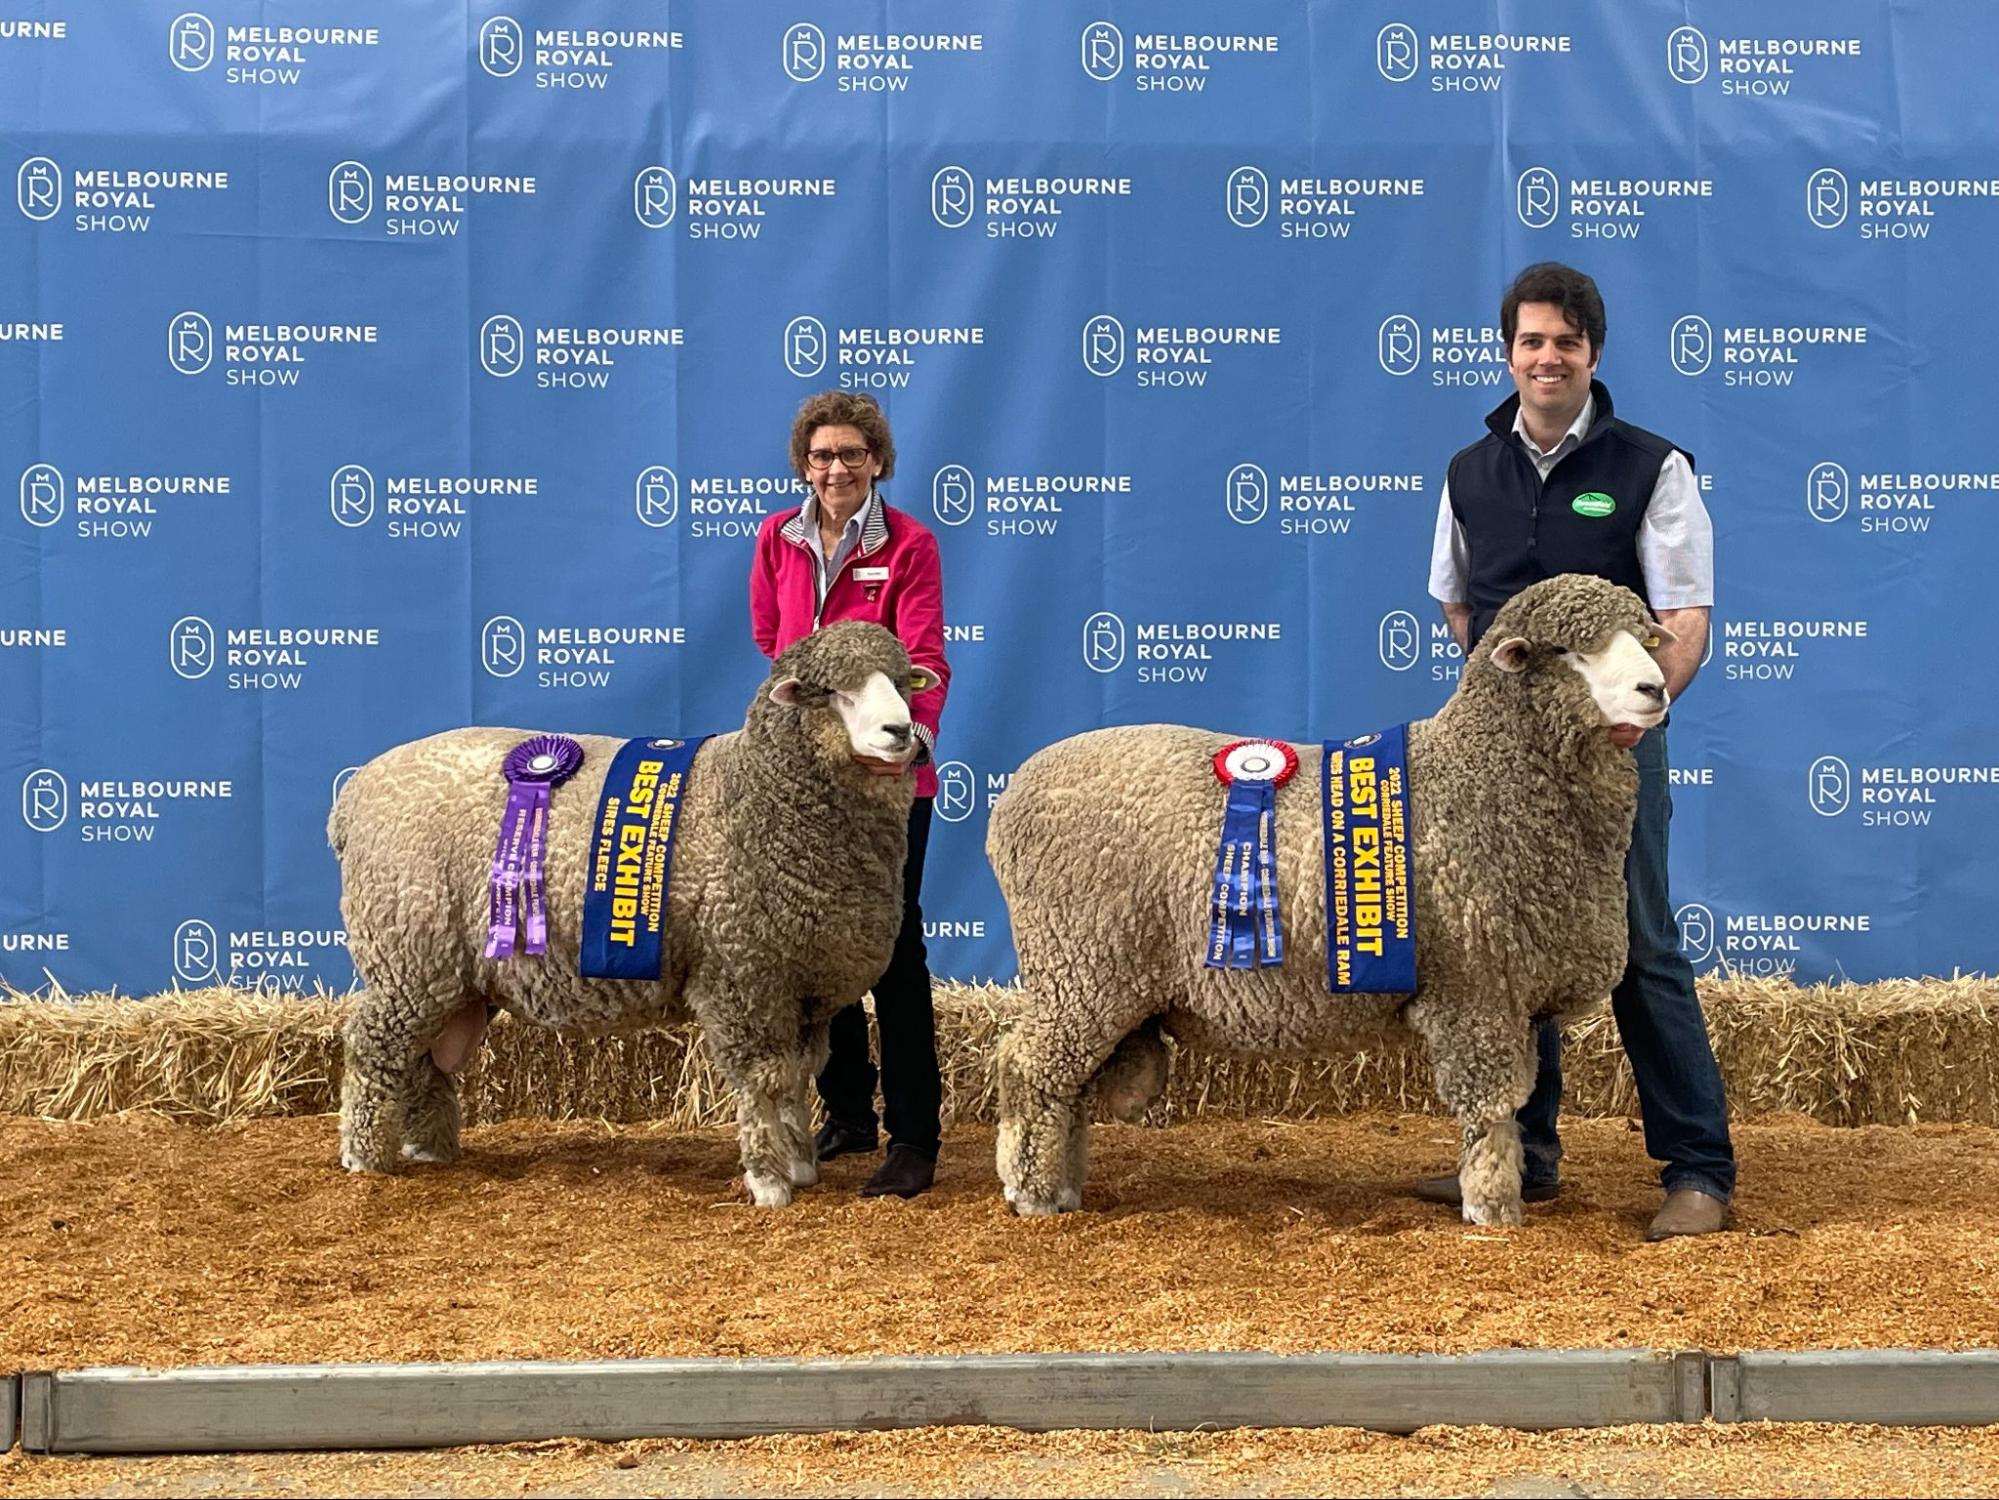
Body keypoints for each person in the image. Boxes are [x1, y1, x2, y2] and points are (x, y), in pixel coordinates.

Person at [1420, 261, 1736, 1240]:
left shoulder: (1651, 468)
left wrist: (1626, 720)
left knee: (1638, 944)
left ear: (1593, 352)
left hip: (1612, 755)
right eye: (1530, 341)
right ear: (1508, 352)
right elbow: (1459, 603)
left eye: (1564, 340)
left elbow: (1683, 617)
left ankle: (1697, 1169)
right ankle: (1528, 1156)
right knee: (1506, 949)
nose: (1546, 356)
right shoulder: (1469, 470)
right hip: (1502, 767)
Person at [749, 390, 951, 1198]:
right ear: (806, 462)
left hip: (888, 783)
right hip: (812, 785)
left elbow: (924, 653)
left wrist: (906, 745)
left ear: (877, 462)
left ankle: (913, 1137)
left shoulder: (908, 545)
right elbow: (774, 643)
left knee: (895, 953)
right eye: (824, 455)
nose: (837, 468)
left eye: (853, 455)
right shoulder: (777, 538)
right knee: (814, 950)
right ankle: (847, 1116)